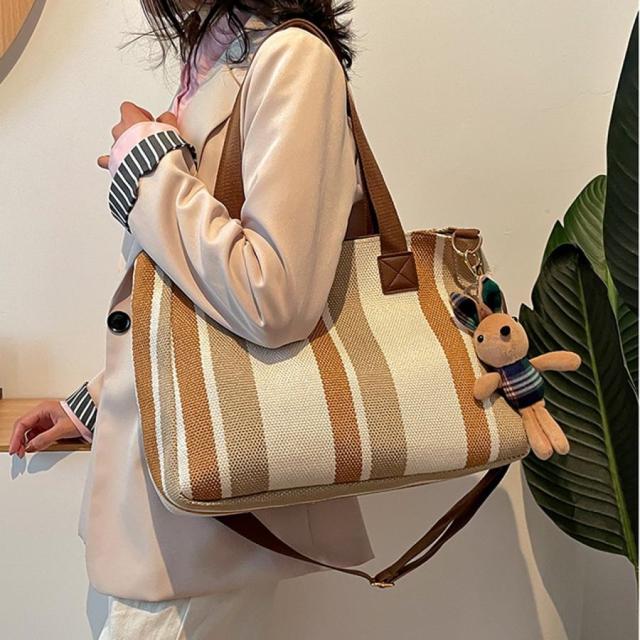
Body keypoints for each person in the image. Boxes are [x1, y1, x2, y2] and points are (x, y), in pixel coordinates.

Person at [9, 1, 373, 636]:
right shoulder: (215, 54)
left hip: (199, 536)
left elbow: (272, 299)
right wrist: (98, 402)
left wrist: (147, 164)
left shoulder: (292, 57)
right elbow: (189, 305)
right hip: (163, 513)